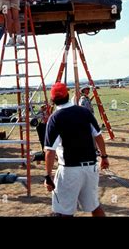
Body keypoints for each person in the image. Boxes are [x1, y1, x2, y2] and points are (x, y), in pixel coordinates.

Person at [44, 82, 109, 217]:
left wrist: (48, 176)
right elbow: (98, 136)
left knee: (64, 211)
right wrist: (104, 157)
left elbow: (50, 152)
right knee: (94, 206)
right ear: (68, 95)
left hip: (69, 171)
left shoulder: (55, 118)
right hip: (91, 168)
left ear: (53, 100)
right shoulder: (84, 112)